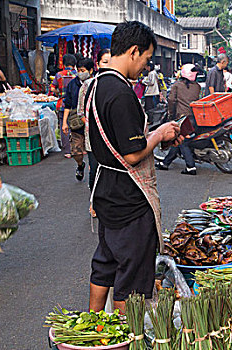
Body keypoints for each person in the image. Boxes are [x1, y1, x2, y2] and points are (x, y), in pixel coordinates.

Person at [84, 21, 183, 313]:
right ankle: (128, 336)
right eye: (146, 59)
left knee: (106, 259)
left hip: (105, 190)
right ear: (133, 51)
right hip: (128, 196)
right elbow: (133, 153)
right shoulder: (120, 92)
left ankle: (94, 322)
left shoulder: (95, 85)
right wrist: (161, 134)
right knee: (132, 273)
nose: (145, 66)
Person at [77, 48, 111, 218]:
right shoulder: (88, 86)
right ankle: (94, 201)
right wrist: (96, 127)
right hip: (93, 137)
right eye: (105, 61)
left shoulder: (118, 84)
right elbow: (81, 113)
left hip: (112, 138)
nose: (109, 65)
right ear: (97, 64)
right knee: (95, 169)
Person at [156, 64, 201, 175]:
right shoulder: (197, 86)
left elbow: (171, 100)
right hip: (194, 118)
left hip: (183, 118)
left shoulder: (177, 85)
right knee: (178, 141)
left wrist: (171, 114)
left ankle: (190, 167)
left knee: (183, 142)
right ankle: (165, 163)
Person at [63, 58, 95, 181]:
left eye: (83, 70)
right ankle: (80, 165)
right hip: (77, 123)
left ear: (91, 70)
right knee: (76, 151)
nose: (80, 73)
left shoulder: (96, 83)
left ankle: (93, 170)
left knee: (93, 150)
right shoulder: (73, 84)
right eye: (78, 70)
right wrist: (64, 123)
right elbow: (68, 104)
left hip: (92, 123)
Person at [51, 54, 77, 158]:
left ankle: (67, 151)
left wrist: (59, 92)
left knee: (64, 126)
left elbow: (52, 88)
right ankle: (78, 148)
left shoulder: (58, 75)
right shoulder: (77, 74)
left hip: (62, 104)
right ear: (74, 64)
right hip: (75, 105)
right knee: (77, 126)